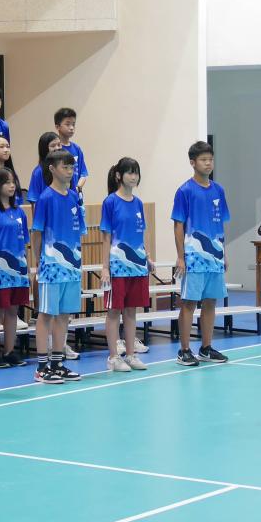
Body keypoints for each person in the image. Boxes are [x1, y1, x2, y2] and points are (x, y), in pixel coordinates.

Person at [172, 141, 231, 366]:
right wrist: (181, 257)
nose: (208, 163)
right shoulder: (185, 191)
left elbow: (221, 225)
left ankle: (206, 348)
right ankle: (184, 350)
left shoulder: (219, 190)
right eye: (204, 160)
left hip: (215, 256)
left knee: (210, 302)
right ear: (192, 162)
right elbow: (178, 226)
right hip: (194, 257)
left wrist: (224, 253)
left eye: (211, 159)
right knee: (189, 303)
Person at [31, 149, 85, 384]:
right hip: (51, 267)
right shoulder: (45, 198)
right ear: (52, 169)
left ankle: (57, 363)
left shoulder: (73, 196)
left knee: (64, 315)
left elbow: (79, 231)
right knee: (46, 315)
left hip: (72, 267)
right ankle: (42, 367)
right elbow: (37, 232)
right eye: (65, 167)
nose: (70, 171)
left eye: (72, 167)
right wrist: (38, 262)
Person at [100, 158, 151, 372]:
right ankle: (113, 357)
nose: (134, 177)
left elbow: (140, 234)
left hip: (137, 267)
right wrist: (105, 267)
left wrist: (147, 257)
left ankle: (130, 355)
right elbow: (106, 237)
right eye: (129, 172)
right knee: (114, 312)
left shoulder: (138, 203)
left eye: (136, 172)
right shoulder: (110, 202)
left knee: (131, 312)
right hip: (117, 267)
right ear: (119, 176)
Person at [0, 168, 30, 369]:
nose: (11, 186)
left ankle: (9, 351)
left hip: (18, 270)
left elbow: (24, 242)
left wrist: (26, 268)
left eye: (13, 182)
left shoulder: (19, 212)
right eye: (6, 182)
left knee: (13, 310)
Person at [54, 108, 88, 195]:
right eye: (67, 124)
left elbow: (83, 174)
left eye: (73, 124)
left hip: (75, 196)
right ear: (57, 127)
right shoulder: (55, 149)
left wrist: (77, 188)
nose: (72, 128)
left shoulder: (77, 149)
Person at [26, 132, 61, 205]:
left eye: (59, 144)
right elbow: (34, 199)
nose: (57, 148)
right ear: (45, 149)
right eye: (53, 146)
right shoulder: (38, 172)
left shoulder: (64, 169)